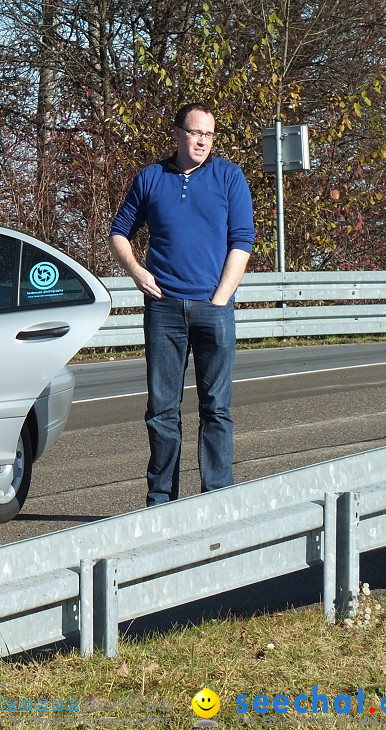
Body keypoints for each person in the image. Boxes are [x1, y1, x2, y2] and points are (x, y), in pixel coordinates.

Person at [108, 102, 255, 506]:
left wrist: (221, 297)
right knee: (162, 412)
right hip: (165, 310)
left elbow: (242, 240)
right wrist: (137, 272)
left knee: (216, 410)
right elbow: (119, 232)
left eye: (208, 134)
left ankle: (217, 497)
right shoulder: (152, 178)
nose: (202, 141)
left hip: (214, 308)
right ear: (177, 133)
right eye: (194, 132)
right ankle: (161, 502)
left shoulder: (228, 177)